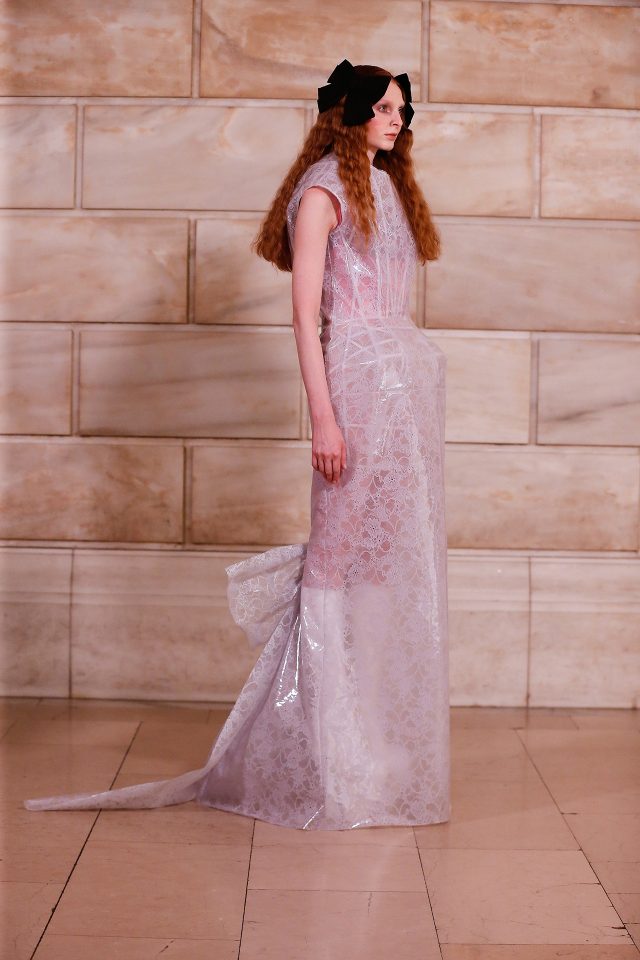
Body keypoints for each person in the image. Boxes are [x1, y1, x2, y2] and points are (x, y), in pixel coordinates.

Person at [24, 59, 451, 831]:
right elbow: (305, 316)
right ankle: (332, 755)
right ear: (350, 112)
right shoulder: (322, 191)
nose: (398, 120)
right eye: (386, 108)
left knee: (384, 557)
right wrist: (324, 418)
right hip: (357, 384)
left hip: (406, 390)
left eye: (403, 109)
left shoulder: (388, 186)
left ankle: (370, 738)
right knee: (335, 557)